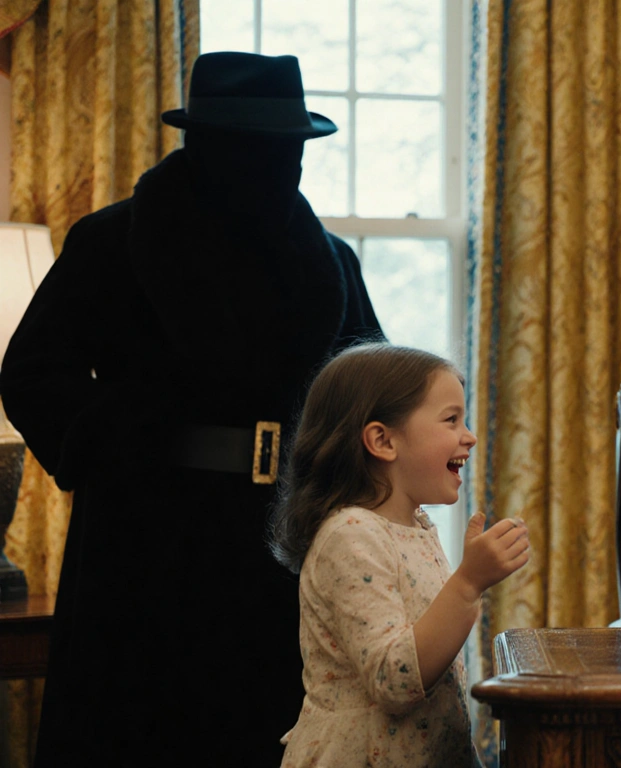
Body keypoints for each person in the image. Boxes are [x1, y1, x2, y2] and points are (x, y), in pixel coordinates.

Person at [0, 53, 382, 765]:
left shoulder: (328, 263)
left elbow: (371, 394)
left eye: (288, 147)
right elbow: (31, 373)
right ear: (205, 142)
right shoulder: (111, 243)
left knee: (272, 733)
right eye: (254, 145)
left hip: (286, 543)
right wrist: (119, 441)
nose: (274, 162)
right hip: (143, 539)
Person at [271, 343, 529, 767]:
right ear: (382, 440)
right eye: (451, 419)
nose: (469, 436)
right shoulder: (349, 536)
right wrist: (468, 583)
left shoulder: (417, 528)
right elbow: (395, 680)